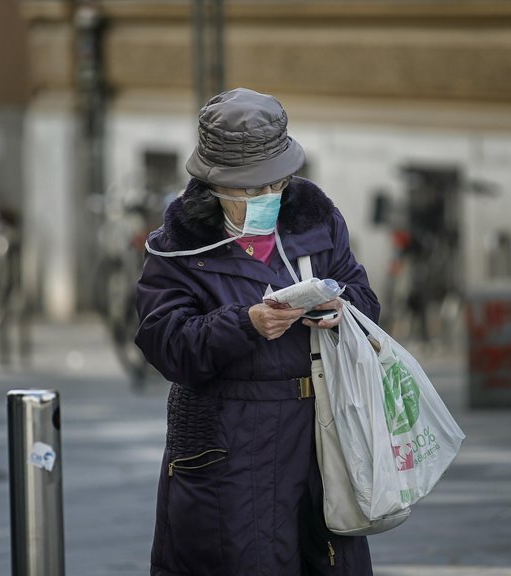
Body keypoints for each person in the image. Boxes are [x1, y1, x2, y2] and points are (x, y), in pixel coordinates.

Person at [135, 87, 380, 575]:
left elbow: (364, 298)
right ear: (215, 186)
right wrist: (245, 323)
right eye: (250, 189)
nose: (267, 198)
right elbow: (166, 343)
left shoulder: (316, 219)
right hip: (227, 442)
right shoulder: (178, 246)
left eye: (276, 185)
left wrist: (341, 307)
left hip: (317, 431)